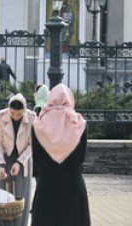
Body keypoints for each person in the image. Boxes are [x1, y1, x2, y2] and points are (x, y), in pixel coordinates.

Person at [31, 84, 90, 226]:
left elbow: (37, 160)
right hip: (73, 183)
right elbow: (82, 157)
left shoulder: (38, 124)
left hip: (46, 184)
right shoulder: (80, 124)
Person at [0, 93, 36, 226]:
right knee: (2, 195)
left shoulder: (32, 118)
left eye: (19, 114)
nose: (16, 116)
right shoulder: (0, 116)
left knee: (22, 196)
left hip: (23, 159)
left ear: (24, 110)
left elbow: (32, 145)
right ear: (9, 109)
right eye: (13, 114)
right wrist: (1, 164)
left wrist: (19, 162)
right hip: (4, 156)